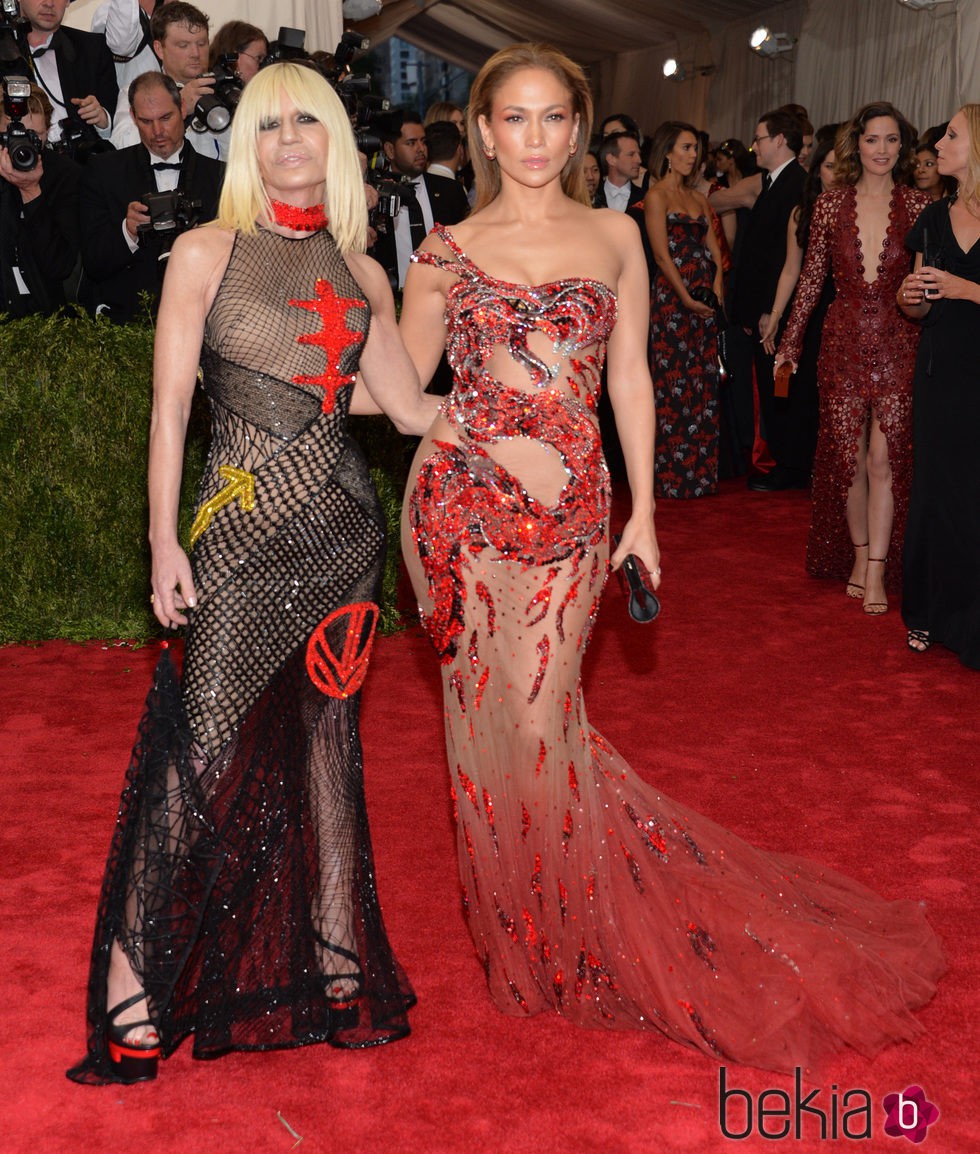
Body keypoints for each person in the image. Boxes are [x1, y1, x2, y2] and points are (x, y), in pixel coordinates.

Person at [398, 41, 943, 1074]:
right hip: (457, 509)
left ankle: (569, 917)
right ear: (478, 130)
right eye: (511, 118)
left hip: (569, 509)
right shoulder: (441, 250)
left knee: (537, 715)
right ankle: (524, 931)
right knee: (478, 725)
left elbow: (631, 380)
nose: (532, 137)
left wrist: (643, 510)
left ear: (577, 125)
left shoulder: (611, 233)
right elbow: (401, 388)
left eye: (552, 117)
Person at [67, 60, 433, 1087]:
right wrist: (161, 539)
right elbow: (171, 408)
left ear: (333, 142)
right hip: (237, 537)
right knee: (198, 750)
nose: (286, 143)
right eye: (267, 127)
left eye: (304, 126)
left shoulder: (362, 272)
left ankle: (332, 959)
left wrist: (525, 406)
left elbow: (400, 409)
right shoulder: (203, 252)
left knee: (328, 746)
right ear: (245, 144)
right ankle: (132, 984)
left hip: (341, 540)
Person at [777, 102, 930, 614]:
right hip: (841, 342)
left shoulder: (918, 207)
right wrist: (791, 343)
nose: (882, 150)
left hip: (899, 340)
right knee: (848, 463)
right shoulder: (828, 206)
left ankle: (880, 569)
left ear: (901, 147)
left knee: (882, 459)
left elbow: (923, 284)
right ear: (856, 145)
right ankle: (861, 557)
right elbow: (811, 281)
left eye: (891, 140)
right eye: (872, 140)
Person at [897, 106, 980, 667]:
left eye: (953, 134)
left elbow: (956, 289)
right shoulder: (931, 215)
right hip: (941, 373)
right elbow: (921, 308)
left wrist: (965, 288)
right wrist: (914, 299)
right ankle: (930, 611)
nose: (941, 142)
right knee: (937, 492)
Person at [78, 71, 223, 321]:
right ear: (133, 117)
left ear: (183, 109)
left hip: (204, 321)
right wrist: (128, 231)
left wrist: (206, 239)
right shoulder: (103, 171)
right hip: (126, 325)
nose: (157, 131)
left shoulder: (221, 176)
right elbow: (93, 264)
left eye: (166, 117)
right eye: (146, 121)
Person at [724, 108, 809, 491]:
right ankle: (780, 460)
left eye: (759, 137)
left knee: (781, 389)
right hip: (766, 307)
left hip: (776, 310)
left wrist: (768, 311)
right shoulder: (775, 181)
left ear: (779, 140)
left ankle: (787, 465)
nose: (754, 144)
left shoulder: (796, 185)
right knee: (770, 387)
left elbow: (784, 260)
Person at [644, 120, 723, 498]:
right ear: (668, 152)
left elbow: (716, 254)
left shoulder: (699, 199)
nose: (694, 155)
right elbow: (661, 256)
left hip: (704, 304)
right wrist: (686, 298)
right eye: (687, 147)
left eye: (696, 148)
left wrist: (715, 291)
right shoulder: (657, 197)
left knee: (703, 385)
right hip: (671, 303)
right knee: (672, 389)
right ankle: (672, 478)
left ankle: (702, 476)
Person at [0, 83, 80, 316]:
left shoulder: (65, 175)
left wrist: (31, 192)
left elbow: (60, 265)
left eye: (33, 137)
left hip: (45, 315)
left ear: (48, 130)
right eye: (12, 135)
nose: (21, 145)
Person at [370, 108, 469, 289]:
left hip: (445, 298)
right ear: (390, 150)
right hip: (391, 299)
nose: (421, 149)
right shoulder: (374, 195)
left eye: (423, 142)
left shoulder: (450, 191)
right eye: (411, 143)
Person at [18, 0, 118, 148]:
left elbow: (117, 118)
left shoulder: (92, 49)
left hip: (83, 162)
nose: (49, 3)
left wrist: (103, 120)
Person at [913, 137, 955, 203]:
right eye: (916, 165)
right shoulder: (906, 201)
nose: (920, 170)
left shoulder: (956, 199)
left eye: (929, 164)